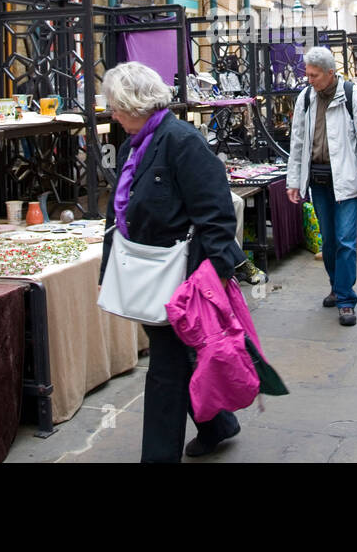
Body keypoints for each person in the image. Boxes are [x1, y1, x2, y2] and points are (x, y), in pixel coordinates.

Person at [100, 62, 246, 462]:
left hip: (183, 276)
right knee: (180, 356)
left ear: (135, 104)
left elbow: (216, 212)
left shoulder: (181, 140)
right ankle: (219, 425)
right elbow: (122, 209)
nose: (111, 114)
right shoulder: (137, 142)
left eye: (115, 105)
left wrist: (214, 274)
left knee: (165, 371)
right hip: (150, 270)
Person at [287, 47, 357, 327]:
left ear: (330, 73)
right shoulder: (305, 98)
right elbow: (298, 142)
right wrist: (294, 181)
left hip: (347, 181)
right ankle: (336, 286)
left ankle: (346, 299)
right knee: (328, 240)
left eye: (314, 75)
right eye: (308, 75)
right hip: (318, 180)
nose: (309, 80)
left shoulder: (352, 95)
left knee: (346, 240)